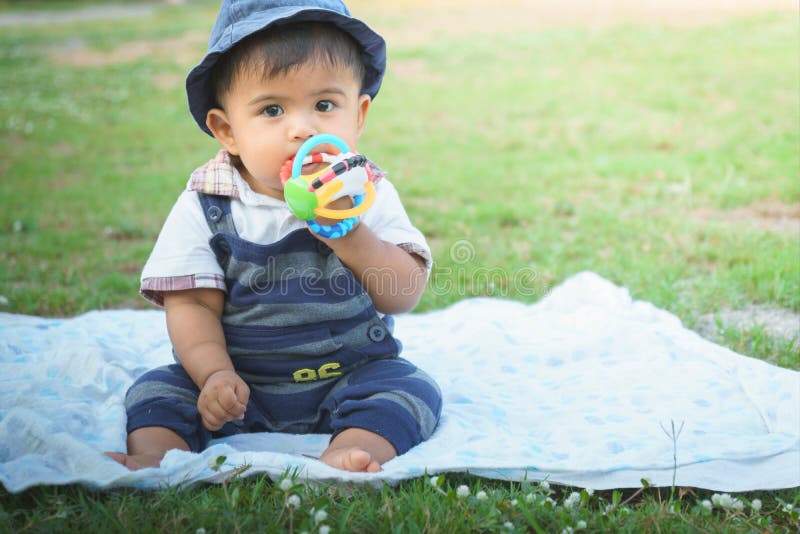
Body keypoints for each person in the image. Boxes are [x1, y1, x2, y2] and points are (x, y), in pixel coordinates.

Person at [105, 0, 441, 473]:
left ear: (359, 116)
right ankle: (155, 457)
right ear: (227, 131)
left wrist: (349, 234)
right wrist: (214, 374)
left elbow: (402, 293)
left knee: (411, 390)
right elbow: (193, 305)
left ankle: (348, 447)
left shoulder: (367, 193)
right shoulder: (207, 204)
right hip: (241, 385)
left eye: (325, 105)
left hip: (349, 374)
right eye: (272, 109)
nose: (302, 128)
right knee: (157, 392)